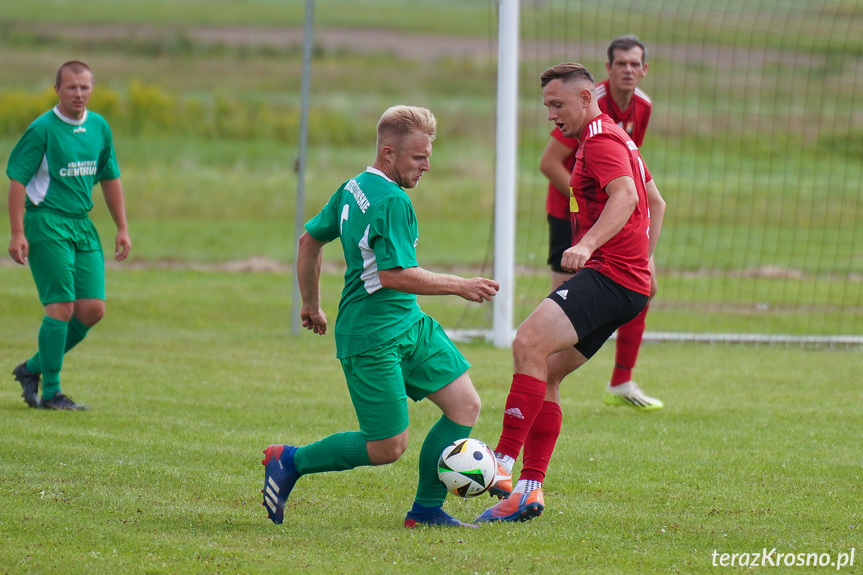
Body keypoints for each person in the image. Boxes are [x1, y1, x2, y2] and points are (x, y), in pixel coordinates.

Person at [261, 105, 509, 529]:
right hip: (372, 336)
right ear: (389, 152)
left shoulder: (354, 186)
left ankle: (426, 511)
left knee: (465, 405)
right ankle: (290, 460)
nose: (427, 166)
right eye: (418, 158)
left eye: (429, 156)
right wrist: (459, 285)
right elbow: (394, 275)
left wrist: (310, 304)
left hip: (410, 325)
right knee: (387, 447)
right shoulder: (392, 200)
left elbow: (308, 241)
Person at [476, 62, 666, 523]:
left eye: (557, 104)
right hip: (627, 282)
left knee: (527, 342)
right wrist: (642, 259)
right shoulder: (615, 138)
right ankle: (528, 488)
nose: (550, 115)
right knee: (547, 374)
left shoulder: (600, 142)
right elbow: (656, 202)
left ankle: (501, 461)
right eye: (546, 105)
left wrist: (586, 244)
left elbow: (626, 197)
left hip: (609, 275)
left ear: (586, 98)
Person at [539, 35, 661, 410]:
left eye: (634, 64)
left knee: (646, 284)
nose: (628, 70)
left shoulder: (642, 106)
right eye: (620, 63)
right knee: (564, 294)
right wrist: (584, 199)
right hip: (570, 210)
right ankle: (543, 375)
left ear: (644, 69)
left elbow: (630, 176)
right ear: (607, 70)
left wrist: (639, 241)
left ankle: (621, 380)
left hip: (614, 213)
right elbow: (549, 163)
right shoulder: (585, 104)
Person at [7, 60, 131, 411]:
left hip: (81, 223)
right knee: (61, 307)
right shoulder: (42, 129)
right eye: (72, 87)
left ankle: (31, 369)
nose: (79, 93)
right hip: (46, 221)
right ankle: (51, 394)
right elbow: (17, 179)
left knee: (92, 309)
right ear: (57, 89)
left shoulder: (99, 126)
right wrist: (17, 232)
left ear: (92, 89)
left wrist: (122, 226)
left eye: (85, 87)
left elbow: (110, 176)